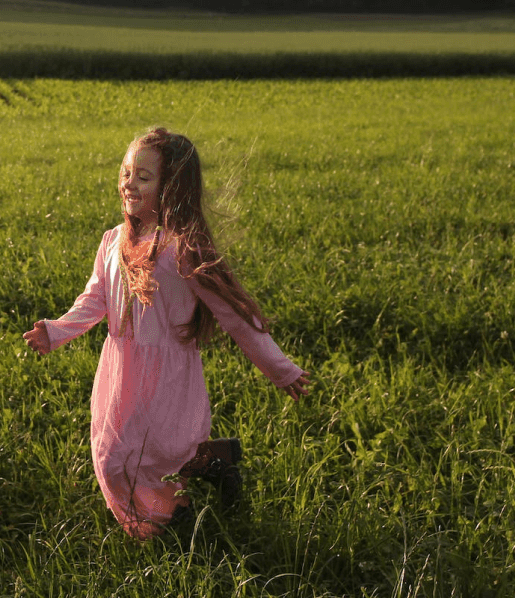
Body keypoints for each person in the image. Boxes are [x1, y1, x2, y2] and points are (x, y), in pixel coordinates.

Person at [22, 126, 312, 540]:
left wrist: (281, 369)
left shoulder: (184, 248)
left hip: (167, 378)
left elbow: (234, 316)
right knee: (115, 458)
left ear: (171, 187)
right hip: (121, 372)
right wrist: (55, 331)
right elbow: (95, 300)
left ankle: (171, 526)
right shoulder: (112, 242)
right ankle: (191, 494)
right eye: (126, 173)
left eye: (143, 177)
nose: (129, 184)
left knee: (150, 457)